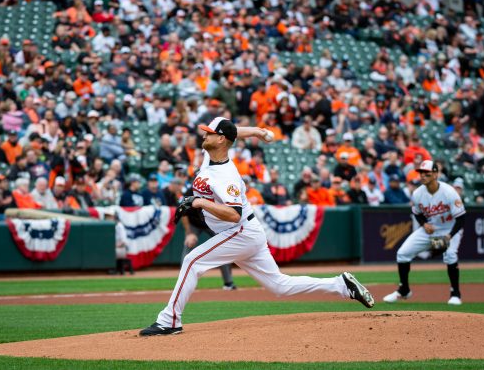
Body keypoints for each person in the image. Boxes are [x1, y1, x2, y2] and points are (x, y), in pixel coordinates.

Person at [140, 118, 374, 336]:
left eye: (209, 133)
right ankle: (341, 285)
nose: (204, 135)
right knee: (280, 286)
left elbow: (233, 215)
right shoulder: (210, 153)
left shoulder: (227, 176)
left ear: (220, 140)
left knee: (193, 261)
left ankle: (169, 320)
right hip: (244, 234)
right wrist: (257, 132)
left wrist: (199, 202)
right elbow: (232, 132)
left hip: (239, 231)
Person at [383, 160, 466, 305]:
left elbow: (461, 218)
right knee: (402, 253)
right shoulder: (417, 193)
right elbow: (417, 213)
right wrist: (424, 224)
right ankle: (404, 290)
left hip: (450, 228)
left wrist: (450, 236)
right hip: (430, 229)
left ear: (435, 174)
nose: (422, 176)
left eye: (426, 173)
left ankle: (455, 294)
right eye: (420, 173)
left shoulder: (449, 192)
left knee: (450, 254)